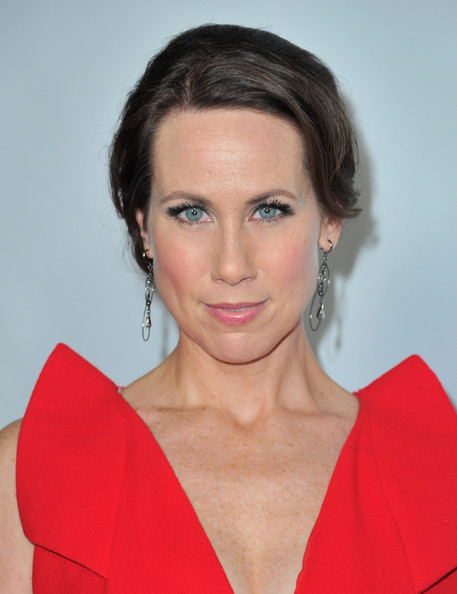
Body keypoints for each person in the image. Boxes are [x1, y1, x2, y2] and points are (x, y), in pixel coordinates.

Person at [1, 23, 456, 594]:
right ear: (144, 229)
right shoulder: (26, 474)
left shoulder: (440, 472)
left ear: (330, 220)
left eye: (269, 210)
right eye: (192, 213)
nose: (232, 265)